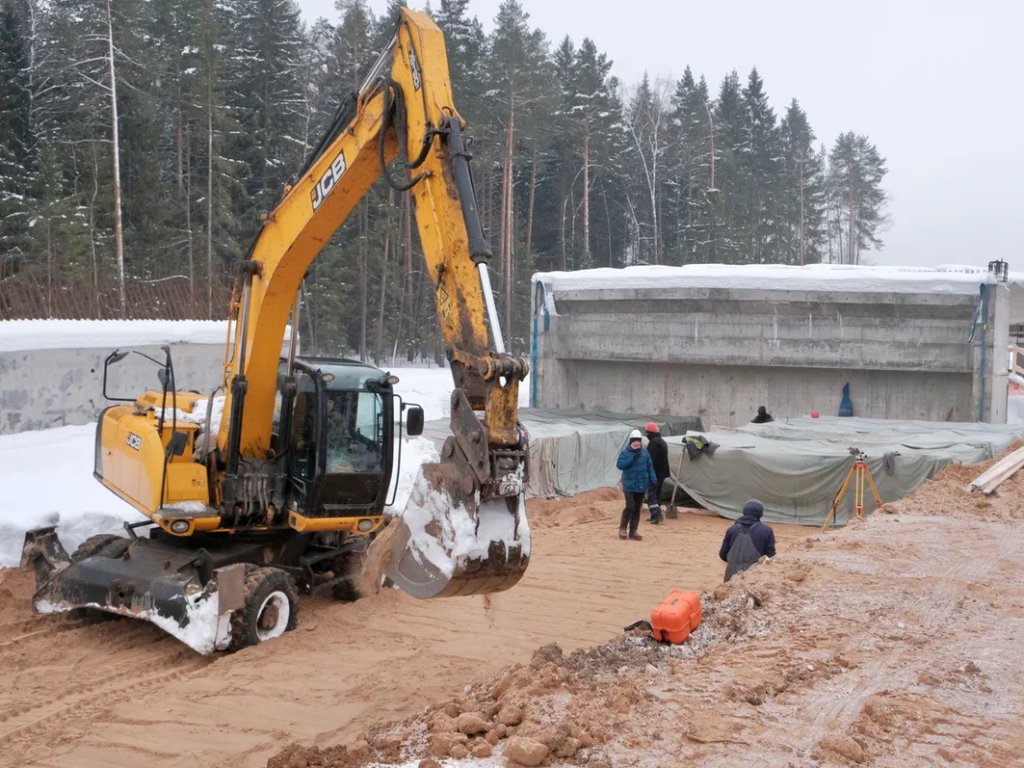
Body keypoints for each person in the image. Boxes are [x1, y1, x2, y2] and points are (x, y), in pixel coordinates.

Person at [719, 499, 776, 582]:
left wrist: (735, 563)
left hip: (731, 575)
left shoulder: (732, 530)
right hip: (753, 576)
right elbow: (771, 556)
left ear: (744, 511)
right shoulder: (766, 531)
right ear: (760, 513)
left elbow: (723, 554)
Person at [616, 429, 656, 541]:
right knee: (630, 506)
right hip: (629, 484)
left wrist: (653, 478)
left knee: (637, 508)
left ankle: (633, 531)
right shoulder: (625, 453)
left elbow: (649, 467)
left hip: (641, 485)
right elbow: (620, 465)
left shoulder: (645, 453)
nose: (636, 443)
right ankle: (622, 529)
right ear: (630, 441)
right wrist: (632, 458)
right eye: (634, 441)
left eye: (638, 441)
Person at [644, 422, 670, 524]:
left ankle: (656, 515)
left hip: (655, 473)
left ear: (648, 432)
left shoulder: (653, 443)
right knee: (658, 494)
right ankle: (655, 514)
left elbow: (650, 460)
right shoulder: (662, 441)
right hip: (662, 473)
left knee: (652, 494)